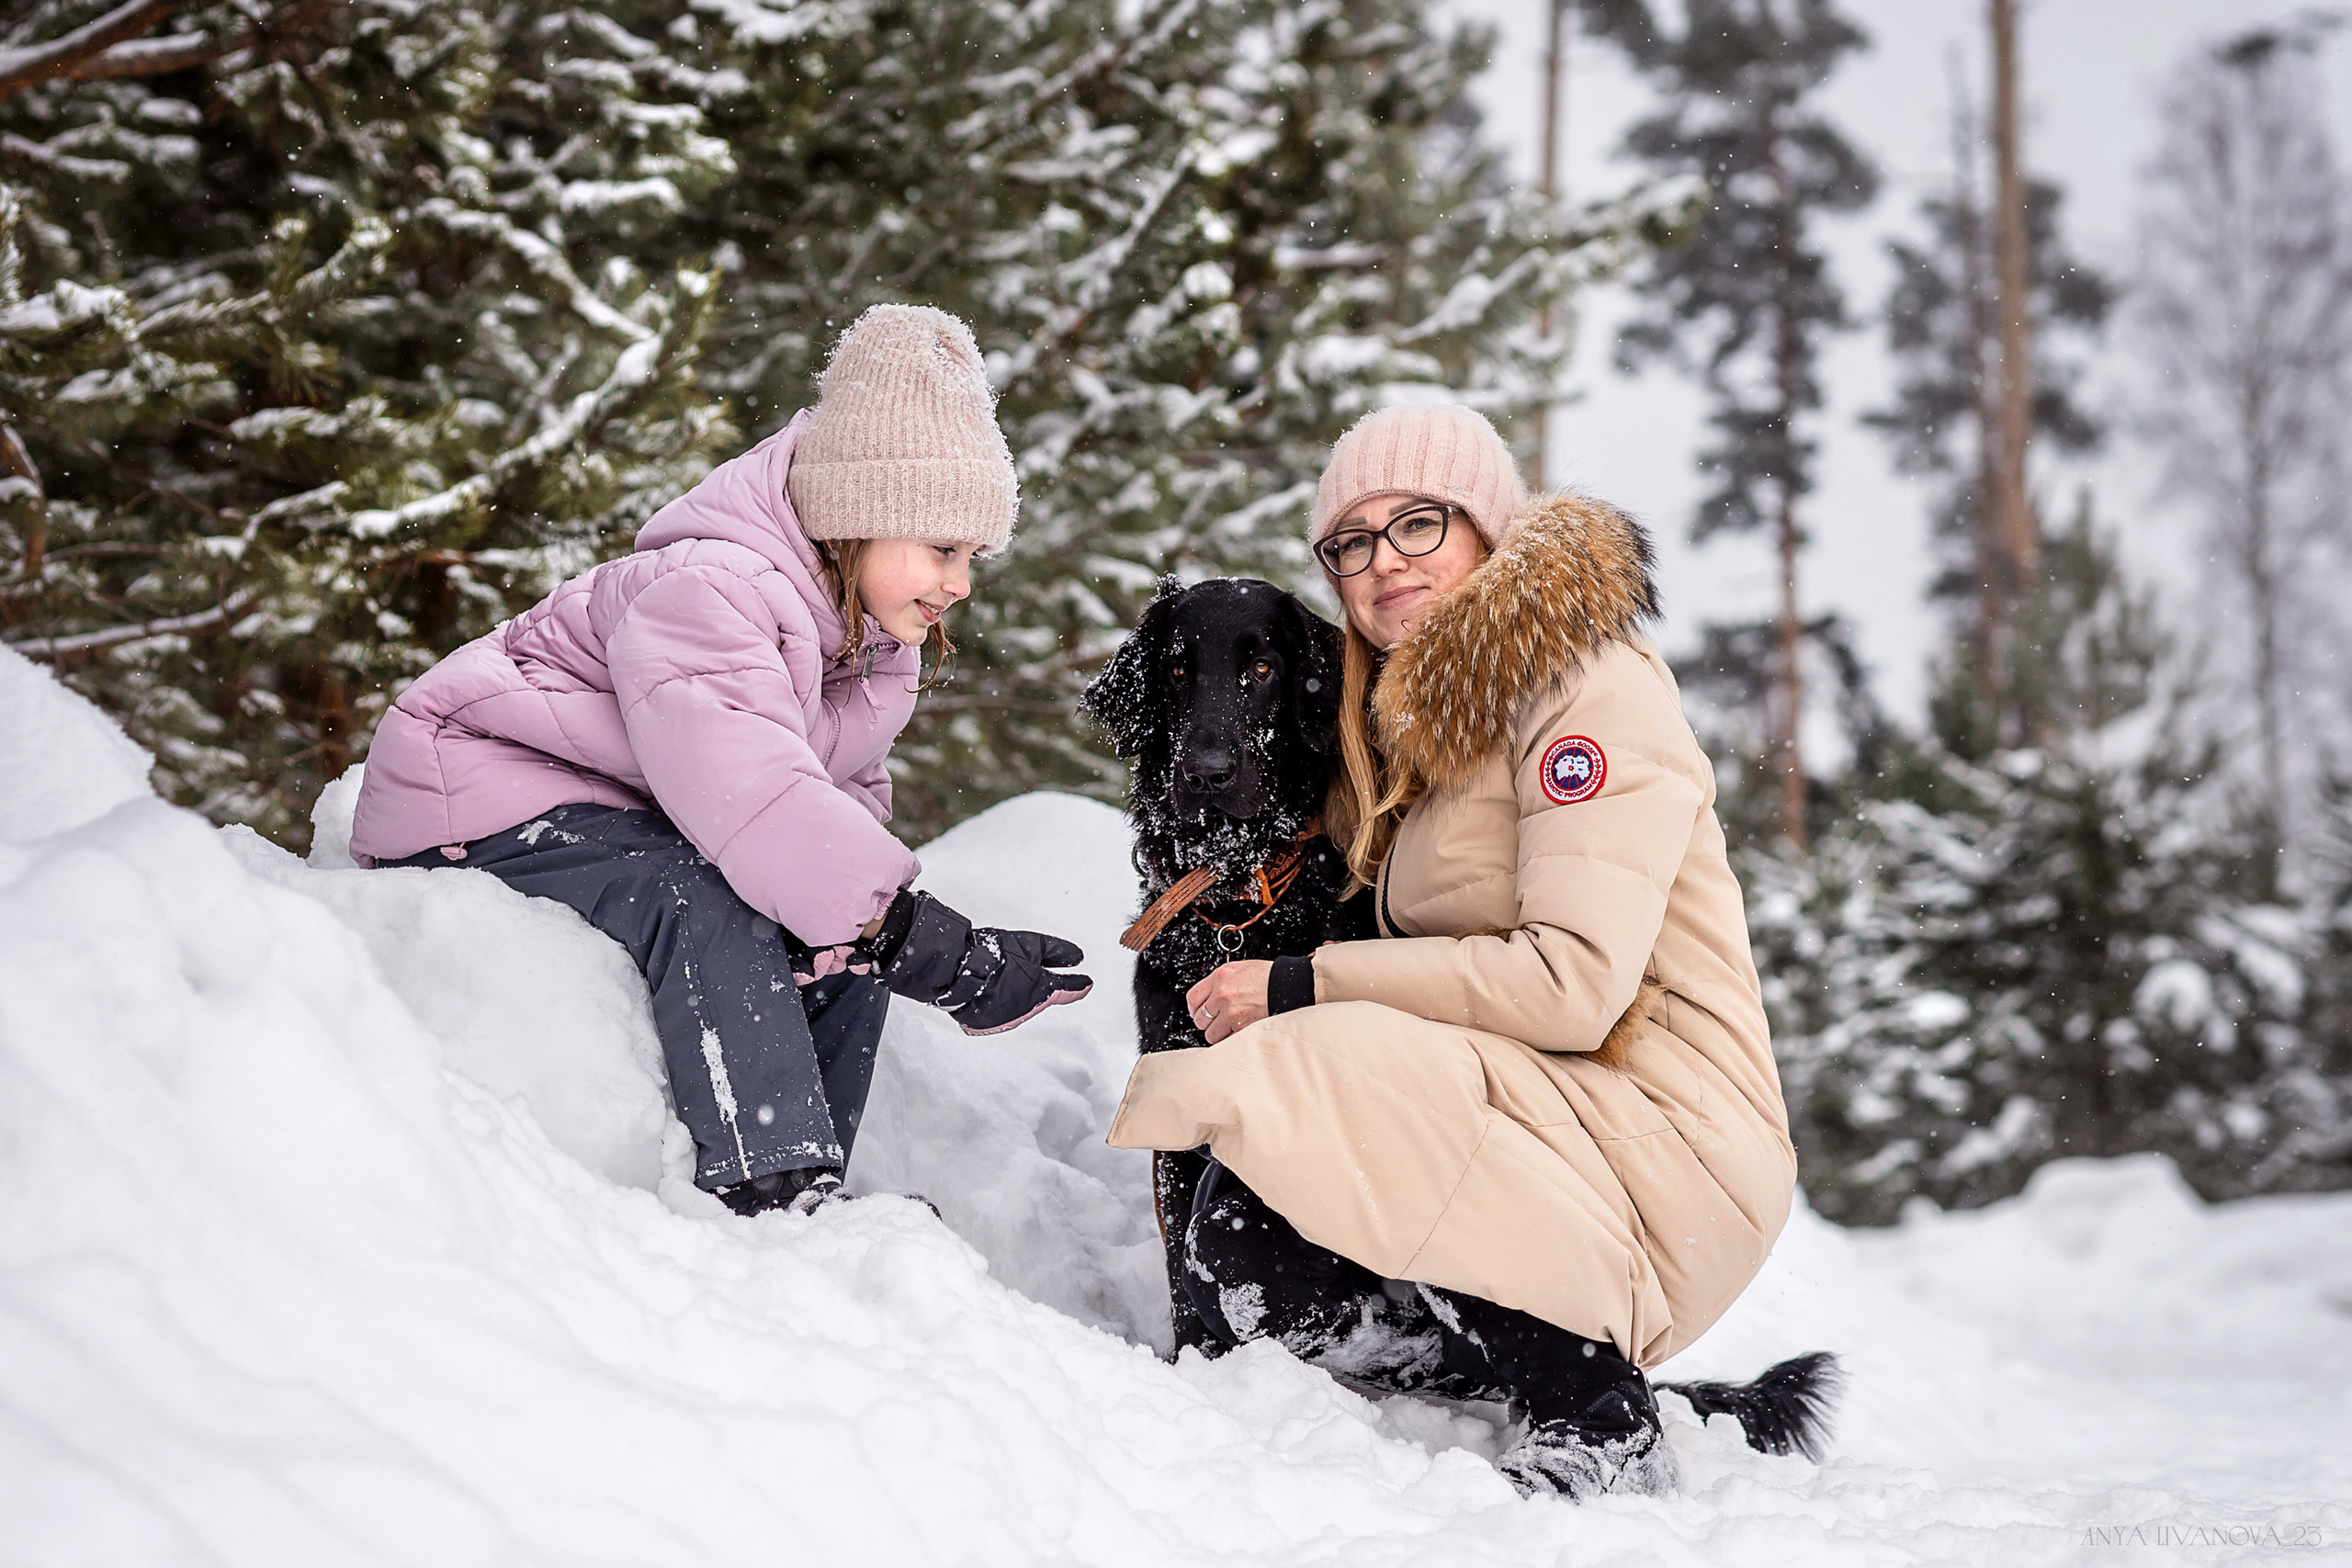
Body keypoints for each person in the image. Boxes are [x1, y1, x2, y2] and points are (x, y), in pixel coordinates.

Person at [1106, 404, 1799, 1499]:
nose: (1383, 561)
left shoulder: (1585, 686)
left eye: (1418, 524)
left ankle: (1595, 1414)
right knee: (1238, 1236)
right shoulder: (1413, 727)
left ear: (1488, 527)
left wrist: (1303, 985)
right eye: (1352, 542)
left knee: (1320, 1059)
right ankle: (1467, 1369)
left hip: (1663, 1134)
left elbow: (1570, 987)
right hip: (1540, 1110)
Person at [350, 305, 1091, 1217]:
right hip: (476, 792)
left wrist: (867, 931)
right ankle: (767, 1182)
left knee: (842, 935)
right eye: (942, 548)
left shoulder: (868, 646)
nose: (962, 582)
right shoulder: (711, 588)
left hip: (613, 807)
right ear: (859, 516)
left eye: (975, 555)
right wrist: (926, 943)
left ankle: (812, 1179)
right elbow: (754, 797)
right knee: (706, 893)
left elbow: (830, 820)